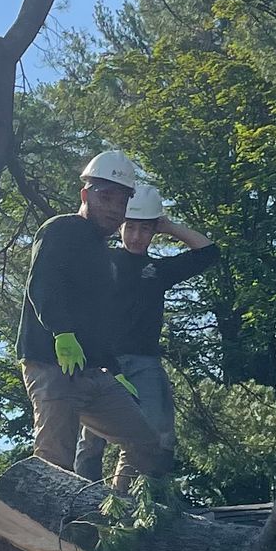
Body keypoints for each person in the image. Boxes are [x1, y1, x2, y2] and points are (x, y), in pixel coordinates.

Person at [18, 151, 174, 489]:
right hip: (51, 365)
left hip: (92, 373)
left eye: (121, 200)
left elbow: (100, 324)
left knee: (146, 443)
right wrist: (62, 333)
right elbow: (42, 283)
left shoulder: (105, 257)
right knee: (54, 462)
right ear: (86, 195)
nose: (114, 208)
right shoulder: (61, 229)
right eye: (106, 197)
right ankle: (43, 534)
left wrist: (114, 369)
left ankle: (118, 509)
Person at [73, 184, 218, 478]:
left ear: (154, 232)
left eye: (146, 230)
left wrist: (169, 226)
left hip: (144, 362)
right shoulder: (102, 257)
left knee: (157, 433)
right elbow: (72, 248)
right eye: (131, 228)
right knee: (91, 441)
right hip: (100, 361)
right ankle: (80, 505)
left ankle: (132, 501)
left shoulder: (158, 269)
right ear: (120, 227)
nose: (137, 237)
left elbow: (209, 254)